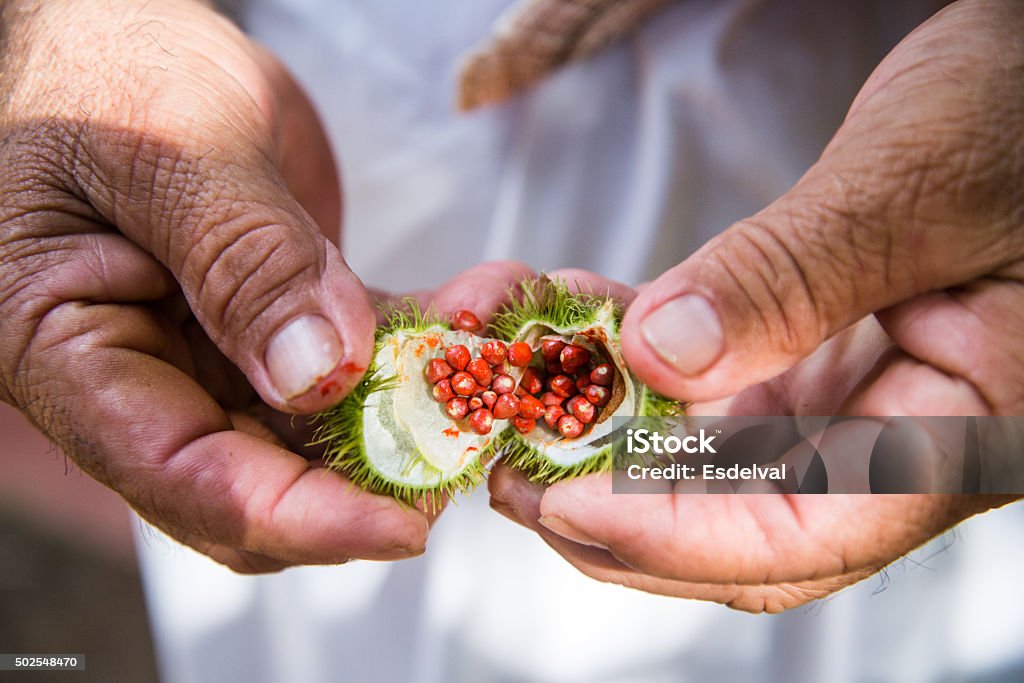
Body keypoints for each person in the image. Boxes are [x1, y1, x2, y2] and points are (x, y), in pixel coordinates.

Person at [1, 0, 1022, 680]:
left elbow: (983, 408)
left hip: (883, 166)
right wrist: (44, 30)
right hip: (318, 145)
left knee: (910, 525)